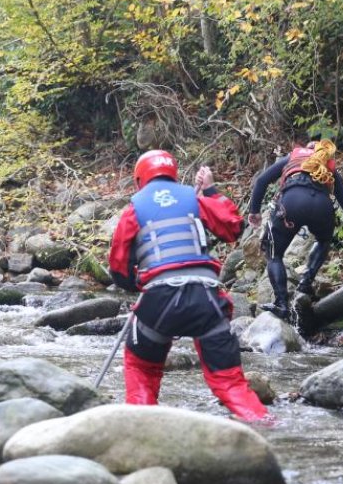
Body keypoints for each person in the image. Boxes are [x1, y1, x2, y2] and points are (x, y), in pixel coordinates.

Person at [108, 150, 268, 422]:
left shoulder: (133, 209)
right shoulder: (194, 199)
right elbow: (234, 227)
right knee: (230, 382)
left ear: (139, 179)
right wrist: (211, 190)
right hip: (206, 298)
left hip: (159, 301)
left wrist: (135, 283)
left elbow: (119, 268)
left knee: (141, 370)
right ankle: (266, 427)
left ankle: (140, 428)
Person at [247, 138, 343, 319]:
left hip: (292, 202)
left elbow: (261, 181)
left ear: (308, 148)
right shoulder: (329, 168)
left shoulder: (293, 157)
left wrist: (254, 211)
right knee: (324, 241)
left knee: (274, 254)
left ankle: (282, 303)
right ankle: (305, 285)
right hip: (322, 206)